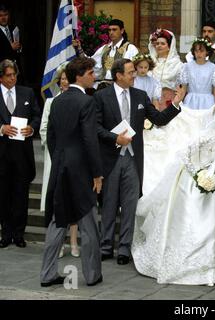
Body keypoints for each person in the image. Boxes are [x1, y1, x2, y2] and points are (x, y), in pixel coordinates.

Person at [132, 99, 215, 285]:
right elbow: (185, 155)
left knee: (211, 226)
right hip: (195, 184)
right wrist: (198, 174)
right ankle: (187, 266)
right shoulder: (210, 135)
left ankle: (208, 269)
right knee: (195, 223)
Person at [95, 58, 184, 265]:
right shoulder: (101, 97)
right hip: (110, 157)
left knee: (129, 205)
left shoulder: (140, 95)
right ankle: (106, 245)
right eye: (130, 73)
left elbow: (159, 120)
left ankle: (125, 248)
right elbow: (96, 127)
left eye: (134, 72)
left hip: (133, 160)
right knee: (108, 204)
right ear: (118, 75)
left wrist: (176, 104)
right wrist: (114, 138)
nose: (134, 76)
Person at [40, 57, 103, 287]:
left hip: (60, 165)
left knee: (57, 221)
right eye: (90, 72)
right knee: (88, 223)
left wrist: (60, 159)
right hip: (80, 171)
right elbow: (90, 140)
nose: (94, 76)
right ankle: (92, 275)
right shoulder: (86, 102)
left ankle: (47, 274)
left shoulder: (56, 101)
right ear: (80, 75)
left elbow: (52, 138)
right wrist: (97, 173)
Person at [39, 63, 80, 258]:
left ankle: (73, 241)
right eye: (61, 79)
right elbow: (45, 129)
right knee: (56, 201)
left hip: (72, 159)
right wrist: (55, 151)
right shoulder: (50, 102)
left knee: (72, 198)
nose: (64, 81)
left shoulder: (79, 101)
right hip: (54, 156)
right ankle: (58, 243)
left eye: (66, 78)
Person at [0, 59, 40, 249]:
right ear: (1, 77)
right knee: (3, 194)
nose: (13, 78)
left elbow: (37, 115)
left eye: (15, 74)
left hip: (22, 154)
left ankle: (19, 234)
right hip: (1, 154)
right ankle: (5, 233)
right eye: (9, 75)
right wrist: (1, 128)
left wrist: (31, 129)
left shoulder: (27, 92)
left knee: (21, 195)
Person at [73, 19, 139, 87]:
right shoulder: (104, 49)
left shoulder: (131, 49)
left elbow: (135, 73)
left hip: (122, 87)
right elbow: (91, 65)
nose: (111, 32)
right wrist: (79, 48)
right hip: (103, 88)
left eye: (114, 30)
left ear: (122, 31)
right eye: (109, 30)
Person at [178, 38, 215, 110]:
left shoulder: (214, 68)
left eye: (201, 51)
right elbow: (183, 89)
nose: (199, 54)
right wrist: (176, 104)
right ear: (193, 52)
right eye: (196, 51)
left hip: (208, 102)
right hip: (190, 102)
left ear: (207, 52)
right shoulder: (187, 67)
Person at [149, 29, 183, 110]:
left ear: (169, 47)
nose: (159, 46)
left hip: (169, 102)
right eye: (157, 43)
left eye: (162, 44)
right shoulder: (149, 63)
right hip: (151, 103)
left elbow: (181, 88)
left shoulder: (177, 64)